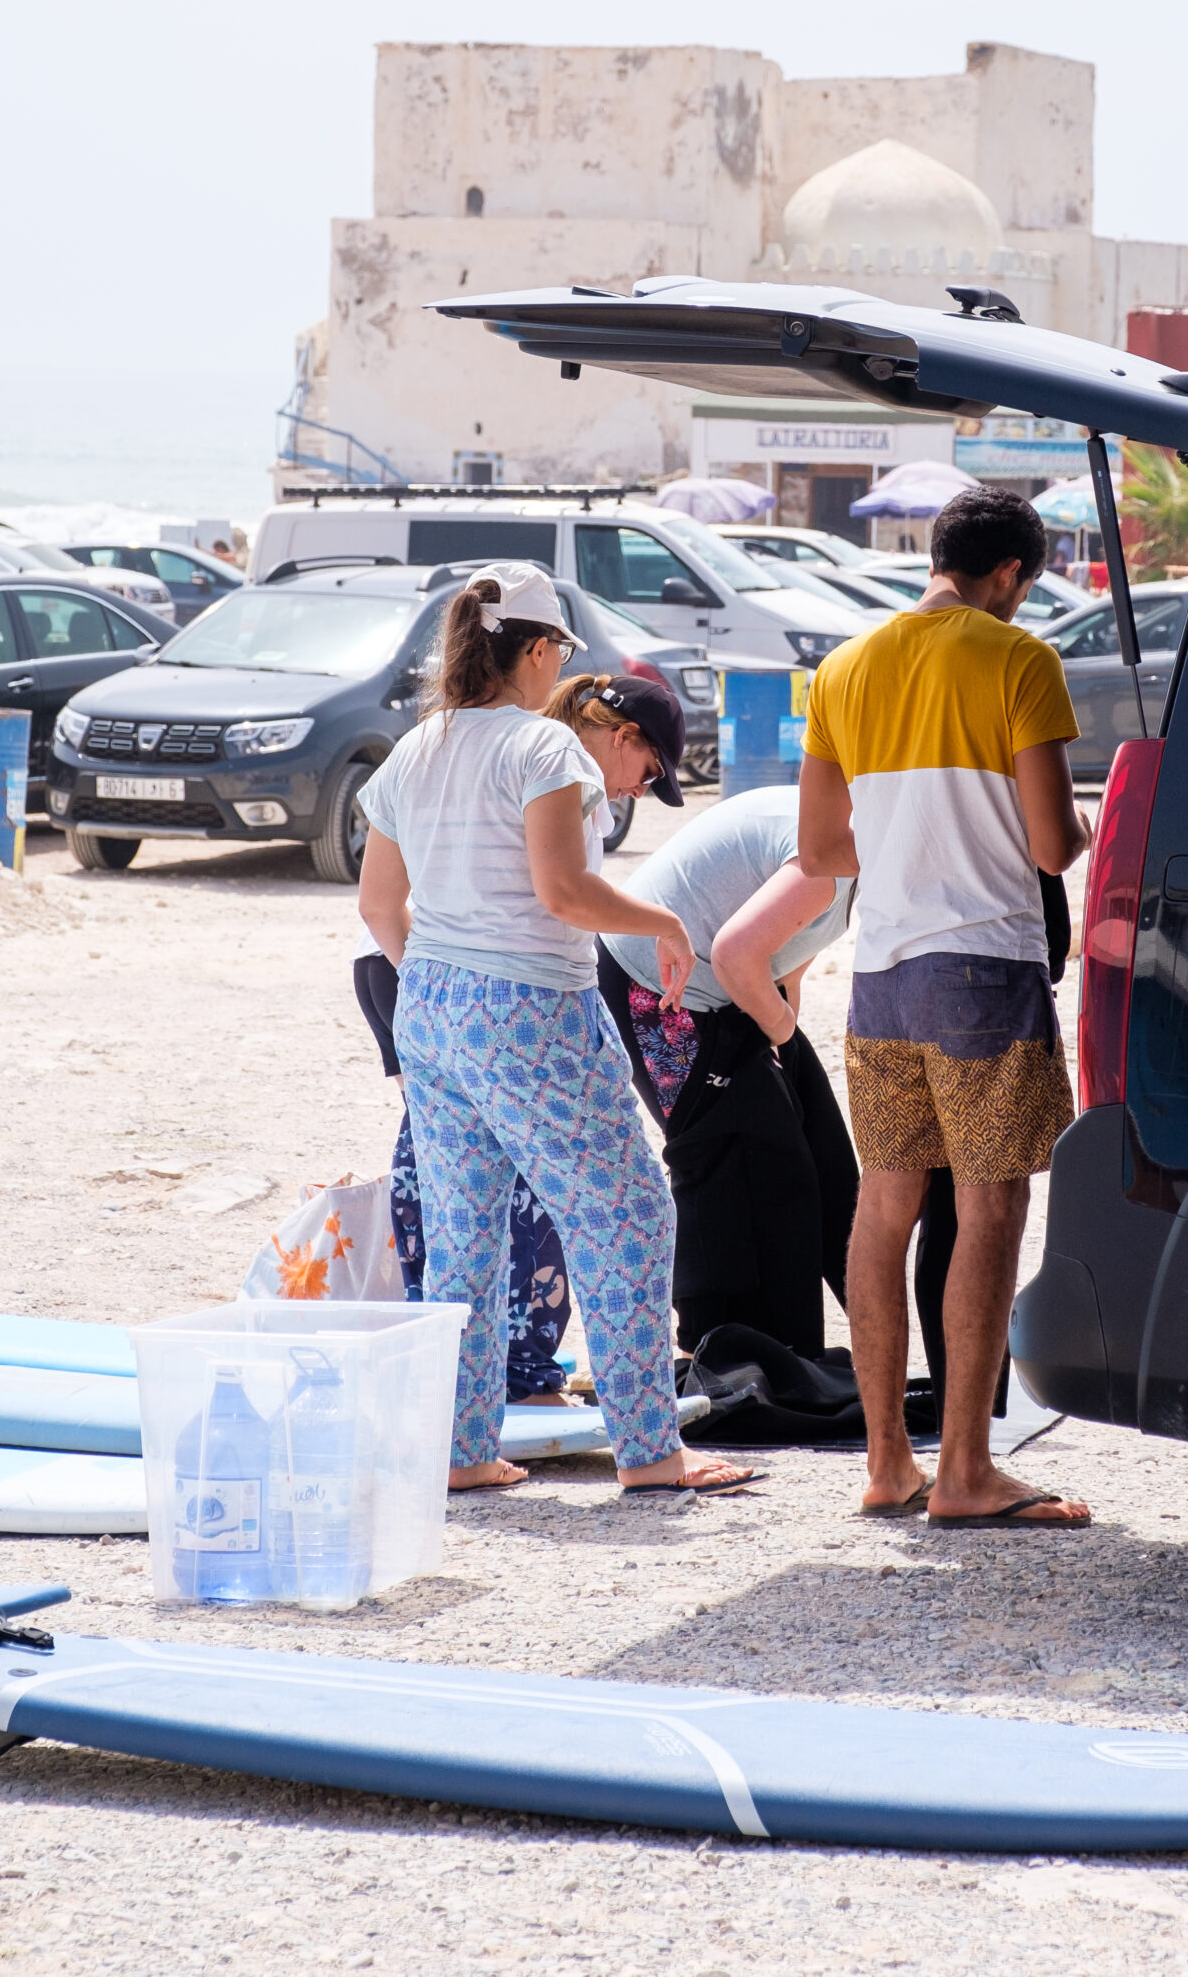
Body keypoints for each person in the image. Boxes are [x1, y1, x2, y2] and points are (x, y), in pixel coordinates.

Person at [355, 563, 754, 1497]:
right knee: (626, 1214)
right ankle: (651, 1449)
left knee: (463, 1233)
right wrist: (664, 924)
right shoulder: (546, 751)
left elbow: (380, 906)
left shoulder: (416, 749)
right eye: (562, 649)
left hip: (434, 1004)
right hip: (527, 1003)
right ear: (537, 650)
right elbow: (564, 894)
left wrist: (445, 981)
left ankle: (460, 1450)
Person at [798, 486, 1094, 1530]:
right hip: (983, 970)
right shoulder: (1018, 660)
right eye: (1029, 583)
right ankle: (966, 1468)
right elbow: (1053, 846)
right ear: (1010, 572)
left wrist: (909, 841)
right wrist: (1090, 824)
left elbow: (820, 851)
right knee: (992, 1205)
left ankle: (888, 1464)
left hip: (881, 974)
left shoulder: (845, 668)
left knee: (885, 1209)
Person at [595, 786, 858, 1357]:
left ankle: (780, 1346)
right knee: (720, 1156)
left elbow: (787, 947)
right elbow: (740, 951)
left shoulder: (843, 830)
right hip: (654, 984)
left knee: (801, 1148)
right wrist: (782, 1032)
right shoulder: (834, 854)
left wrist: (783, 1035)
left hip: (718, 989)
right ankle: (719, 1351)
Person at [352, 924, 575, 1406]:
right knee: (511, 1175)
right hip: (454, 964)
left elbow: (375, 902)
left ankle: (445, 1359)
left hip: (382, 956)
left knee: (437, 1163)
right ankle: (521, 1373)